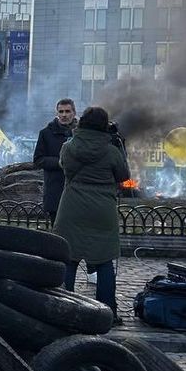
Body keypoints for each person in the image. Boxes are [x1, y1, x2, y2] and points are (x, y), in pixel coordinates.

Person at [53, 107, 131, 323]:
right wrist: (119, 144)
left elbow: (64, 168)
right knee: (104, 261)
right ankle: (107, 312)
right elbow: (124, 177)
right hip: (102, 209)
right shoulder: (112, 150)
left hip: (72, 207)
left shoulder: (68, 147)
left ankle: (63, 306)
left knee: (68, 258)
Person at [34, 98, 77, 223]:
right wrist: (60, 162)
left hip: (77, 190)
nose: (64, 115)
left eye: (67, 111)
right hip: (55, 189)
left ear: (74, 113)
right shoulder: (46, 133)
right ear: (57, 113)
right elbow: (38, 160)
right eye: (61, 111)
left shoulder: (81, 133)